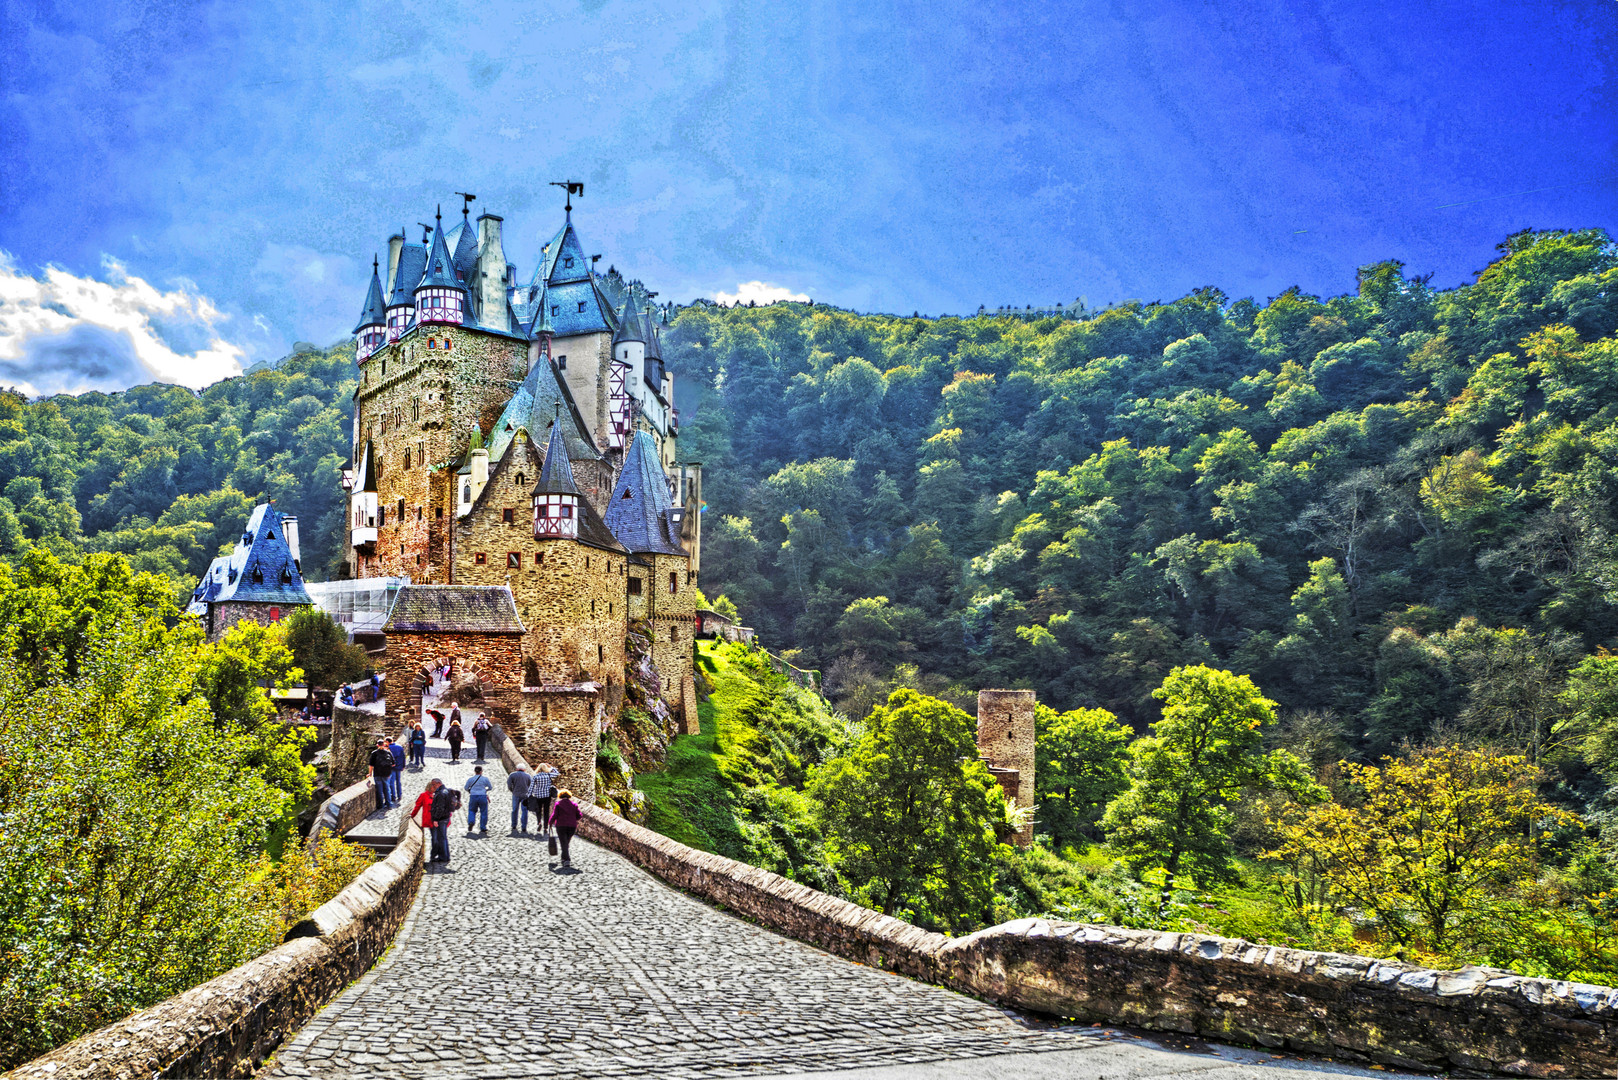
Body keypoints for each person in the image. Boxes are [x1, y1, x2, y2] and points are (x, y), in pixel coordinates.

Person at [549, 788, 581, 867]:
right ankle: (563, 858)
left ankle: (567, 860)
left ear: (560, 796)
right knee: (566, 842)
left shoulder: (558, 804)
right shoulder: (574, 805)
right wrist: (573, 819)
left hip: (561, 826)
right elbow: (579, 815)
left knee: (564, 843)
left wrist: (550, 822)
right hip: (572, 826)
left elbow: (555, 815)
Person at [428, 778, 455, 864]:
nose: (433, 786)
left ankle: (443, 857)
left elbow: (440, 808)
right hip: (445, 817)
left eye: (434, 784)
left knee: (441, 838)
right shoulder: (446, 791)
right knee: (443, 838)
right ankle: (445, 856)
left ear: (439, 783)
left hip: (441, 819)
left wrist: (436, 819)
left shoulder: (440, 794)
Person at [529, 761, 559, 836]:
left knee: (538, 810)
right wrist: (551, 767)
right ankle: (545, 827)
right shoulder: (548, 775)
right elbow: (557, 773)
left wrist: (529, 795)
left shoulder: (536, 776)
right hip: (547, 796)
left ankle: (539, 822)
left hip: (538, 796)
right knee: (546, 812)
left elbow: (531, 787)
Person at [367, 738, 395, 811]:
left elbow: (371, 765)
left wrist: (369, 773)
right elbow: (393, 764)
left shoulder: (374, 753)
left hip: (377, 773)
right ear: (384, 744)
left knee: (379, 790)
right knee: (387, 789)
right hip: (386, 774)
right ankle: (389, 804)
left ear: (377, 745)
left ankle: (381, 805)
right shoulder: (388, 752)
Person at [464, 765, 492, 834]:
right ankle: (483, 827)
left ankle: (471, 821)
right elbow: (490, 787)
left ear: (475, 771)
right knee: (483, 812)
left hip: (473, 796)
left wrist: (470, 790)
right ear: (481, 771)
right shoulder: (485, 779)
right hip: (482, 796)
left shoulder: (471, 779)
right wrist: (485, 790)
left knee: (472, 810)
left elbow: (466, 787)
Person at [507, 764, 532, 833]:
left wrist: (512, 790)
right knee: (524, 811)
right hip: (525, 795)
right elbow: (530, 785)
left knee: (515, 810)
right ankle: (524, 827)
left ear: (517, 769)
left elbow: (509, 784)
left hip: (516, 794)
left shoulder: (512, 775)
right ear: (524, 769)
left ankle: (514, 825)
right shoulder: (528, 776)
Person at [386, 736, 405, 805]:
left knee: (392, 782)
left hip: (392, 767)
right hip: (399, 766)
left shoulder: (388, 748)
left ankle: (393, 796)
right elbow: (403, 757)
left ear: (388, 742)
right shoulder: (400, 747)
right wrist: (403, 765)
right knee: (398, 782)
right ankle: (399, 795)